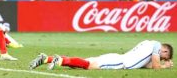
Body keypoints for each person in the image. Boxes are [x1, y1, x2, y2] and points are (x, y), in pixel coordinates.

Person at [30, 40, 173, 70]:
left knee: (83, 63)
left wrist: (161, 63)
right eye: (163, 57)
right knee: (89, 65)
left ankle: (46, 58)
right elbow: (155, 66)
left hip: (119, 57)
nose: (160, 59)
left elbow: (146, 65)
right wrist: (164, 66)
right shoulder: (157, 46)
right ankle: (58, 60)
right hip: (121, 62)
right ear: (164, 51)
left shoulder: (148, 43)